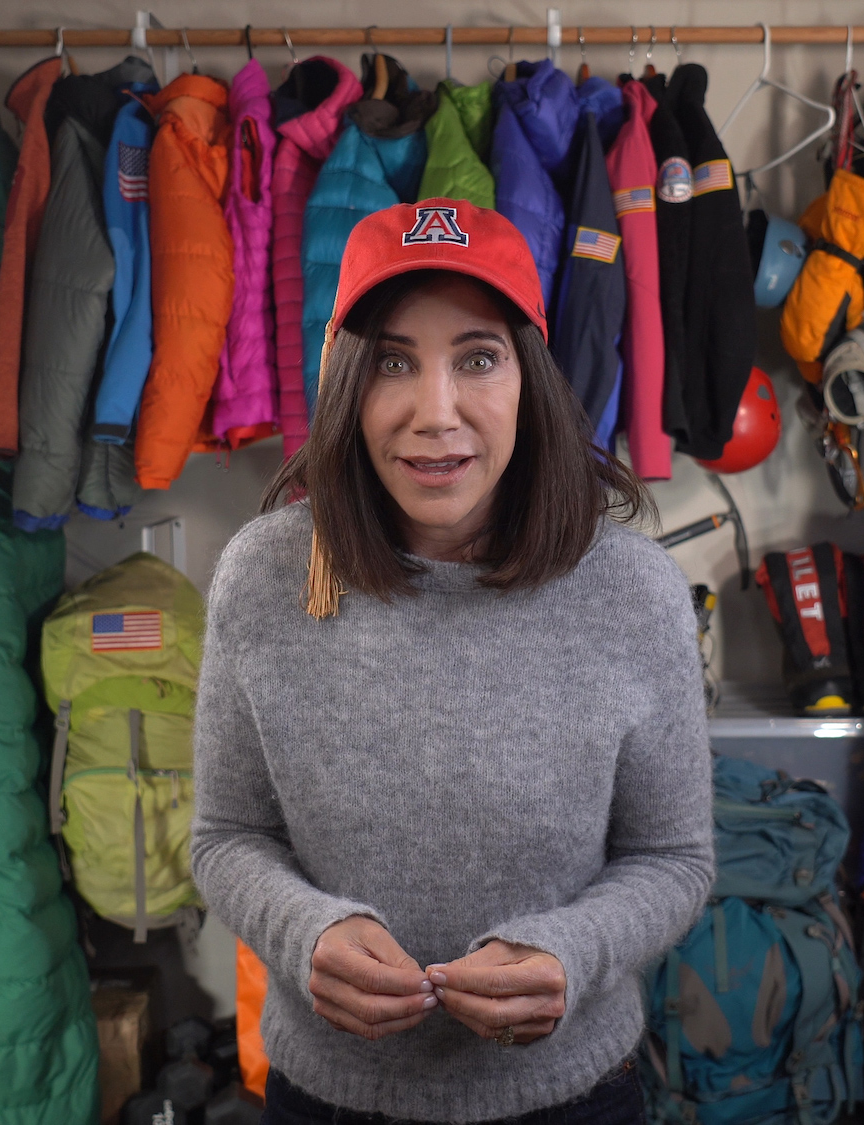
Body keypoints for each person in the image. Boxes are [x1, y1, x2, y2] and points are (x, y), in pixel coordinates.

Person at [190, 199, 714, 1124]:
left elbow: (672, 858)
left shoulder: (633, 590)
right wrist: (301, 931)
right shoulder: (263, 575)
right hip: (327, 1099)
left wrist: (574, 951)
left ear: (529, 380)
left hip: (574, 1100)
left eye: (477, 357)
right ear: (346, 384)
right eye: (394, 361)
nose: (437, 413)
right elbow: (227, 837)